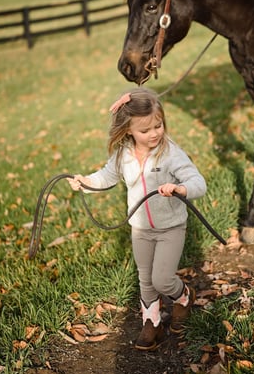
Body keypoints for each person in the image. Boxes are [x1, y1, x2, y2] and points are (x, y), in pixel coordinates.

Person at [67, 88, 207, 351]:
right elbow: (107, 176)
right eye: (146, 130)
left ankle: (184, 297)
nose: (154, 133)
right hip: (140, 228)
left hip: (170, 228)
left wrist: (180, 189)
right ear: (128, 129)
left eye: (159, 125)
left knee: (162, 280)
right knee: (145, 279)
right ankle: (152, 322)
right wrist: (86, 182)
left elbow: (197, 182)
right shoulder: (124, 154)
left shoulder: (170, 154)